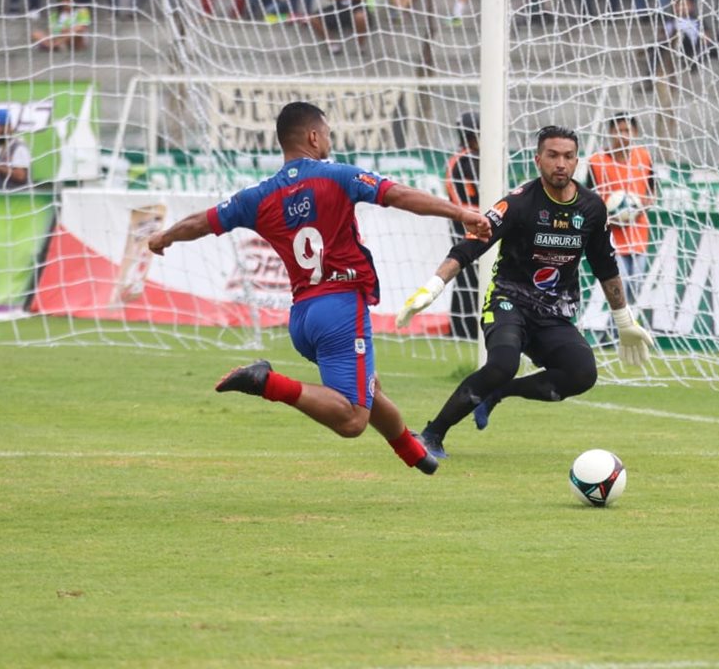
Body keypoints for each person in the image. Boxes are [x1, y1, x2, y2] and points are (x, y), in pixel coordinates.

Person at [145, 102, 492, 475]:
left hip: (303, 316)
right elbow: (400, 195)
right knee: (354, 418)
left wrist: (164, 237)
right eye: (326, 133)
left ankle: (416, 453)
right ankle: (268, 382)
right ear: (313, 136)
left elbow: (203, 221)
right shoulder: (338, 176)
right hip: (340, 307)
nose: (328, 140)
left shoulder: (258, 196)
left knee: (369, 389)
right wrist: (461, 213)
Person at [395, 125, 652, 459]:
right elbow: (473, 245)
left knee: (582, 373)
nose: (561, 163)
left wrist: (624, 320)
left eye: (568, 156)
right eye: (553, 155)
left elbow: (605, 265)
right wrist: (434, 285)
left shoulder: (591, 207)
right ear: (537, 159)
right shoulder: (518, 203)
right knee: (503, 362)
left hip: (554, 312)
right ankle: (432, 434)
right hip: (509, 300)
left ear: (577, 161)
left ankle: (500, 392)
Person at [586, 113, 654, 312]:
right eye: (617, 131)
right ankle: (615, 334)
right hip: (611, 238)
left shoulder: (644, 157)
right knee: (618, 290)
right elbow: (589, 198)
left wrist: (639, 210)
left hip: (638, 235)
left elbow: (652, 193)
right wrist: (607, 217)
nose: (622, 135)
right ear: (610, 133)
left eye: (627, 131)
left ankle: (624, 330)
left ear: (635, 133)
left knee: (635, 289)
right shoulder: (597, 161)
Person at [444, 111, 481, 340]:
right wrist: (474, 216)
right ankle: (461, 328)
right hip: (464, 225)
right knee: (466, 274)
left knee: (479, 275)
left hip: (484, 223)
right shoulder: (460, 160)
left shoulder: (485, 158)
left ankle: (473, 326)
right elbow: (455, 196)